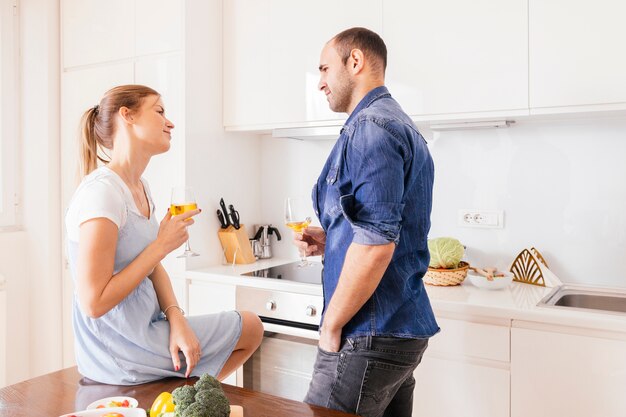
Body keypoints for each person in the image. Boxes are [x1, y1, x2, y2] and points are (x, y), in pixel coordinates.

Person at [65, 85, 263, 385]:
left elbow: (152, 267)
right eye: (160, 112)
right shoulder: (102, 193)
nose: (169, 123)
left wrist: (177, 319)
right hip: (116, 349)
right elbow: (93, 303)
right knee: (250, 326)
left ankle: (182, 399)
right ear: (127, 116)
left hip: (145, 328)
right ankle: (183, 399)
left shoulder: (139, 187)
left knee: (248, 329)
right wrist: (160, 246)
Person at [292, 28, 440, 417]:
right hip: (397, 326)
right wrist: (333, 237)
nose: (320, 82)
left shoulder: (370, 128)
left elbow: (377, 244)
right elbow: (388, 227)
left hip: (367, 333)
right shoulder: (399, 125)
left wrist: (331, 327)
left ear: (354, 62)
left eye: (324, 68)